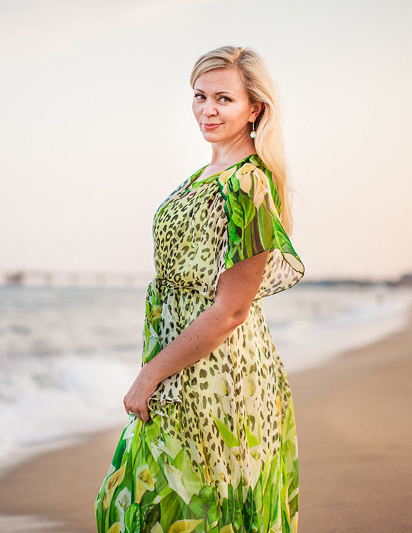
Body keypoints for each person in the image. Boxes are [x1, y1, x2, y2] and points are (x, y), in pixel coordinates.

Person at [94, 45, 306, 533]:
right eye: (200, 96)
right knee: (145, 506)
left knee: (185, 510)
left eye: (224, 99)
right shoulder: (202, 177)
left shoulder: (249, 186)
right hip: (182, 364)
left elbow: (232, 310)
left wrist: (149, 375)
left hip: (222, 376)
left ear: (254, 109)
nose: (208, 109)